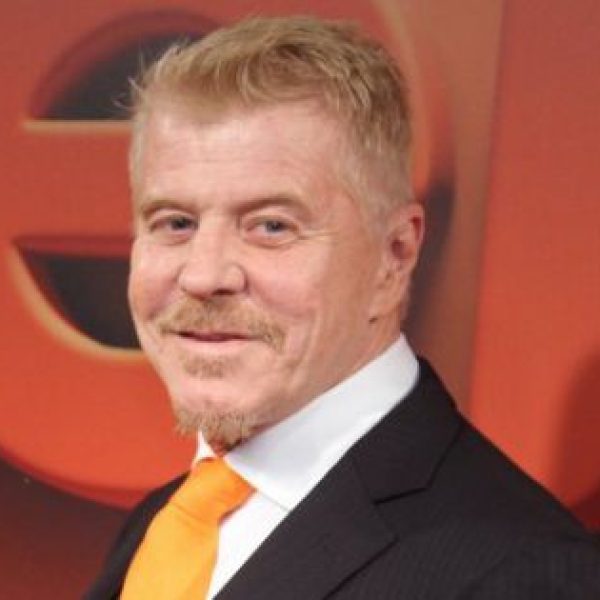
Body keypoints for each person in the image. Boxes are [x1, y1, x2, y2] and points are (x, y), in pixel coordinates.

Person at [86, 15, 600, 599]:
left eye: (271, 226)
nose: (203, 276)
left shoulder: (526, 574)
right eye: (175, 223)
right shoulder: (161, 523)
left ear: (394, 256)